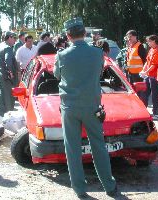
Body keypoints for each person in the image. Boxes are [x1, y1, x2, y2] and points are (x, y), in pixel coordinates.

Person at [53, 17, 118, 198]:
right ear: (84, 34)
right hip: (92, 106)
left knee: (72, 149)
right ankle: (109, 186)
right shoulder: (98, 53)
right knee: (99, 146)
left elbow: (57, 74)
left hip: (70, 107)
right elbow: (98, 73)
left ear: (68, 36)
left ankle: (80, 190)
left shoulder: (62, 55)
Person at [0, 31, 18, 117]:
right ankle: (9, 117)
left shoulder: (0, 46)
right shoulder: (7, 48)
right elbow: (8, 61)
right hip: (7, 77)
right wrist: (11, 73)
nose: (15, 40)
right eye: (13, 38)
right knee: (9, 98)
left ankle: (1, 116)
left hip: (1, 75)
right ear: (9, 37)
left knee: (2, 96)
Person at [140, 35, 158, 120]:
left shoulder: (157, 50)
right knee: (144, 93)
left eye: (149, 41)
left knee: (154, 94)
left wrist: (146, 72)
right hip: (148, 75)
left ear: (154, 41)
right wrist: (143, 70)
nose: (148, 43)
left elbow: (154, 65)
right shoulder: (151, 50)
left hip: (154, 76)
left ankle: (155, 113)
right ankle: (144, 111)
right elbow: (147, 61)